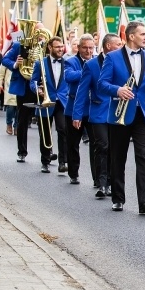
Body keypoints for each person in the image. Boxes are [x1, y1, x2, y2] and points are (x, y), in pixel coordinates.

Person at [98, 22, 145, 213]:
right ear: (131, 36)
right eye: (143, 34)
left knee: (143, 156)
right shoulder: (112, 57)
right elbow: (102, 84)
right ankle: (118, 198)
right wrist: (118, 90)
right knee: (118, 157)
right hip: (120, 113)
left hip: (142, 113)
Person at [74, 33, 122, 198]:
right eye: (118, 44)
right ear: (108, 46)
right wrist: (77, 115)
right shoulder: (91, 65)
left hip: (117, 112)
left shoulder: (122, 62)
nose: (121, 47)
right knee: (102, 146)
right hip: (99, 112)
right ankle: (102, 183)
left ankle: (111, 181)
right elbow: (82, 91)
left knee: (114, 149)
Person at [29, 36, 69, 174]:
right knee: (45, 132)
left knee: (63, 130)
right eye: (57, 47)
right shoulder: (40, 63)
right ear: (50, 48)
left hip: (62, 102)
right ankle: (45, 161)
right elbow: (33, 81)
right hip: (45, 101)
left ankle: (63, 162)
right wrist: (37, 90)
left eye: (62, 46)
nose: (60, 49)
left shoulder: (67, 62)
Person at [3, 27, 39, 164]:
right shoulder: (19, 45)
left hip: (39, 87)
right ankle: (22, 152)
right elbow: (5, 59)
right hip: (24, 86)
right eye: (37, 32)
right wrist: (15, 64)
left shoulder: (45, 46)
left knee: (44, 121)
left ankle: (47, 154)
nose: (39, 36)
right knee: (22, 120)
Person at [63, 34, 95, 184]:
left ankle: (97, 178)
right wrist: (89, 71)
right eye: (85, 48)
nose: (88, 51)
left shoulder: (97, 60)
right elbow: (69, 77)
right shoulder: (70, 61)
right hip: (74, 107)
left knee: (96, 145)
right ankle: (73, 174)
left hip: (92, 108)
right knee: (73, 144)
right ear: (79, 48)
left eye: (91, 48)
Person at [0, 63, 17, 136]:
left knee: (20, 108)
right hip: (9, 84)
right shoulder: (8, 57)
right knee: (10, 106)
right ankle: (9, 124)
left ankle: (17, 126)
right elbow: (1, 72)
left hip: (21, 84)